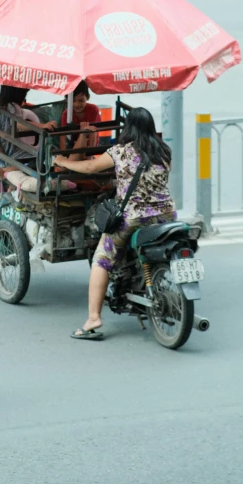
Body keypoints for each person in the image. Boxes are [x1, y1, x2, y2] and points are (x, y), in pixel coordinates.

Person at [53, 107, 176, 341]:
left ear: (128, 128)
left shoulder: (121, 152)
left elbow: (89, 167)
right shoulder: (164, 151)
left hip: (134, 218)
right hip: (166, 215)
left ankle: (93, 319)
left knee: (103, 258)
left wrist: (62, 161)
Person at [0, 85, 56, 181]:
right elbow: (18, 124)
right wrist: (43, 126)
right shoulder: (13, 107)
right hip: (8, 149)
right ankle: (3, 170)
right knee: (37, 159)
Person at [60, 81, 101, 161]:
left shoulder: (93, 110)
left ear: (87, 97)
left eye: (81, 100)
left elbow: (94, 134)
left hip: (89, 147)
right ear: (67, 100)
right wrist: (64, 156)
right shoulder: (66, 114)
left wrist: (90, 155)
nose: (77, 104)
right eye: (73, 101)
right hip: (73, 149)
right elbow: (63, 137)